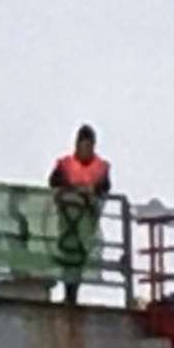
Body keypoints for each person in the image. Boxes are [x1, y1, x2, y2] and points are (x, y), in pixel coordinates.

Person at [47, 124, 112, 304]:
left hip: (87, 219)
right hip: (67, 217)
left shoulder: (101, 167)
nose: (86, 148)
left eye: (89, 144)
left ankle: (73, 293)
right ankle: (69, 293)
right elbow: (53, 181)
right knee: (67, 254)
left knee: (80, 256)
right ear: (77, 144)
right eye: (83, 144)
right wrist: (71, 188)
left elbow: (105, 187)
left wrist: (93, 190)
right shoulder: (65, 164)